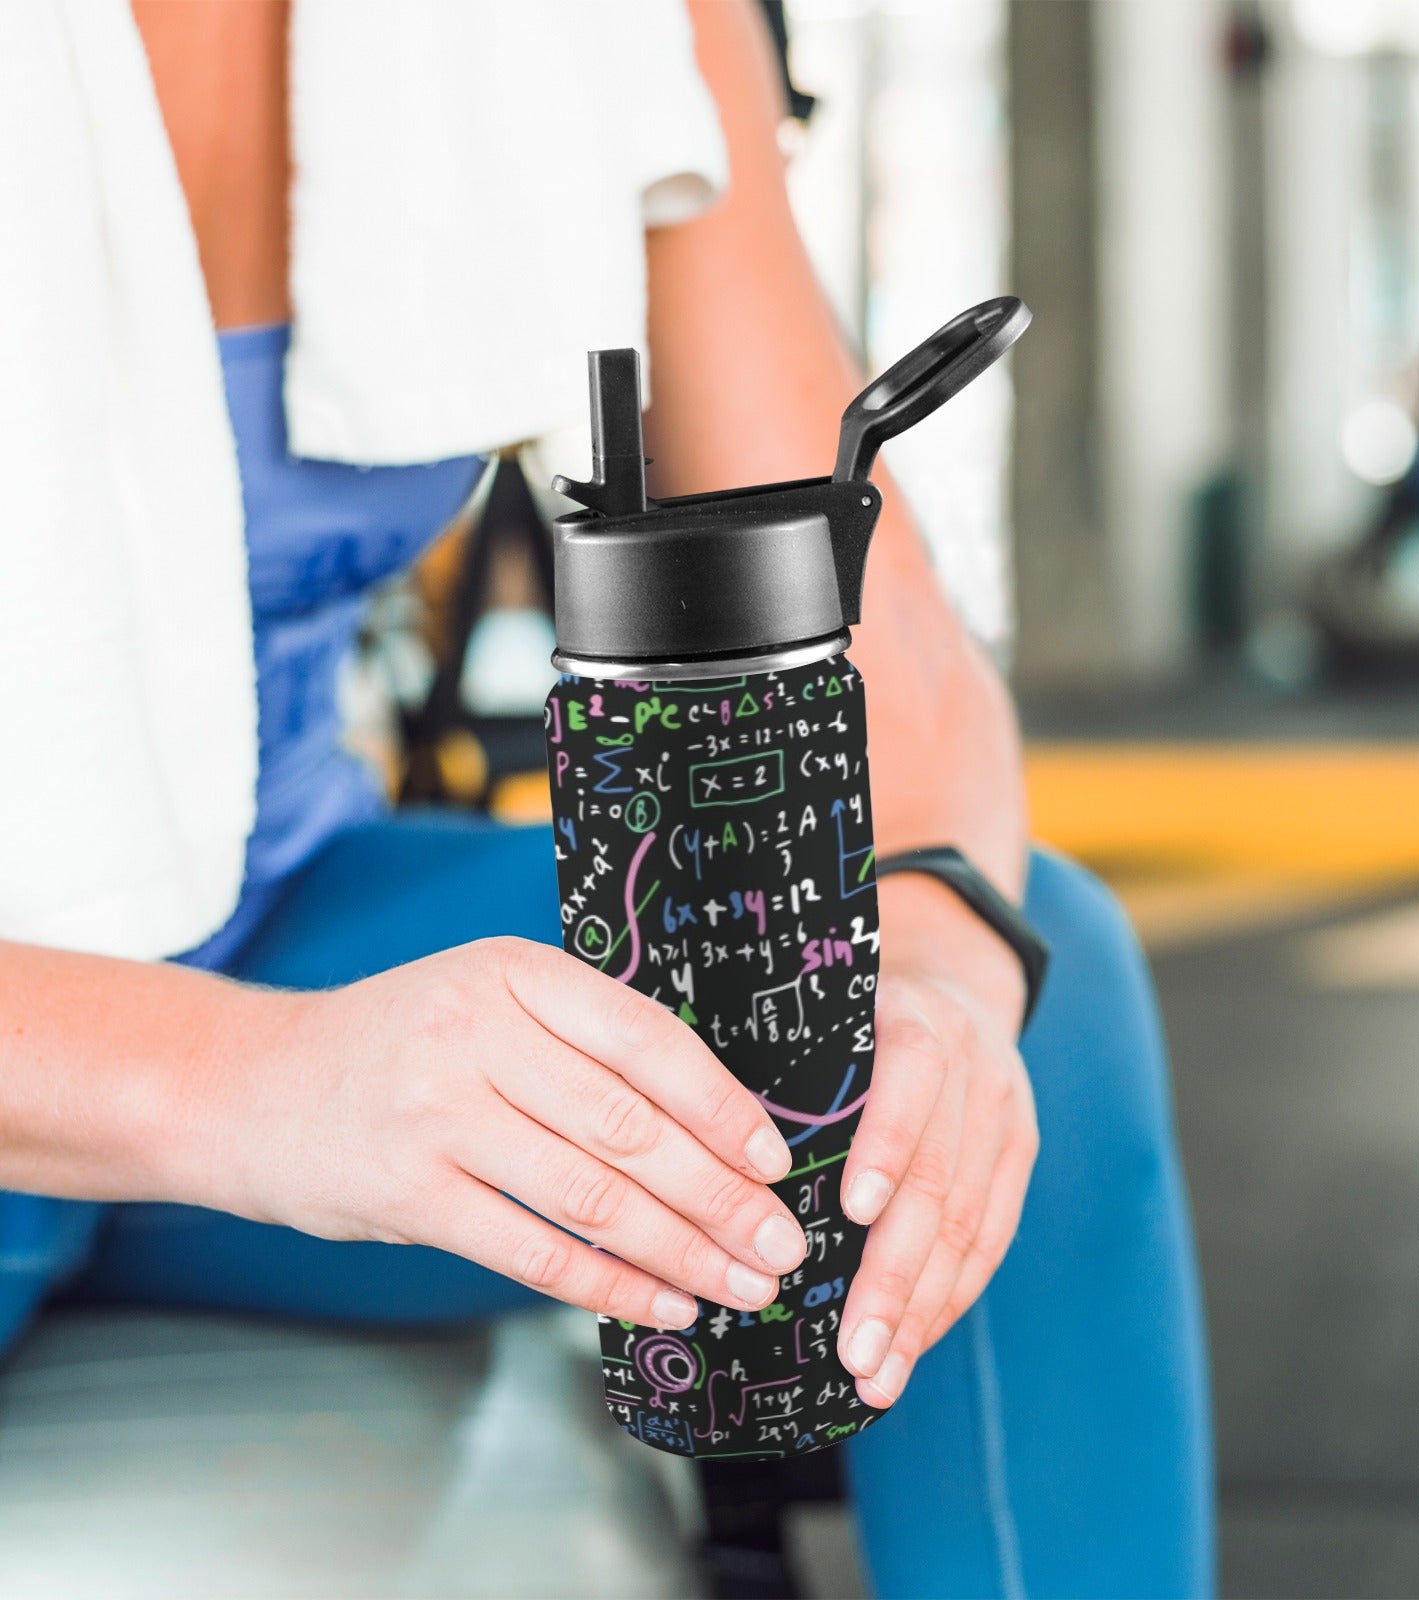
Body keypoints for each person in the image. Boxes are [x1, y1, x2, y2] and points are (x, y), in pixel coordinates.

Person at [0, 2, 1212, 1594]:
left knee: (1010, 1000)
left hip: (259, 911)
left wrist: (924, 978)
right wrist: (248, 1087)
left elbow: (878, 628)